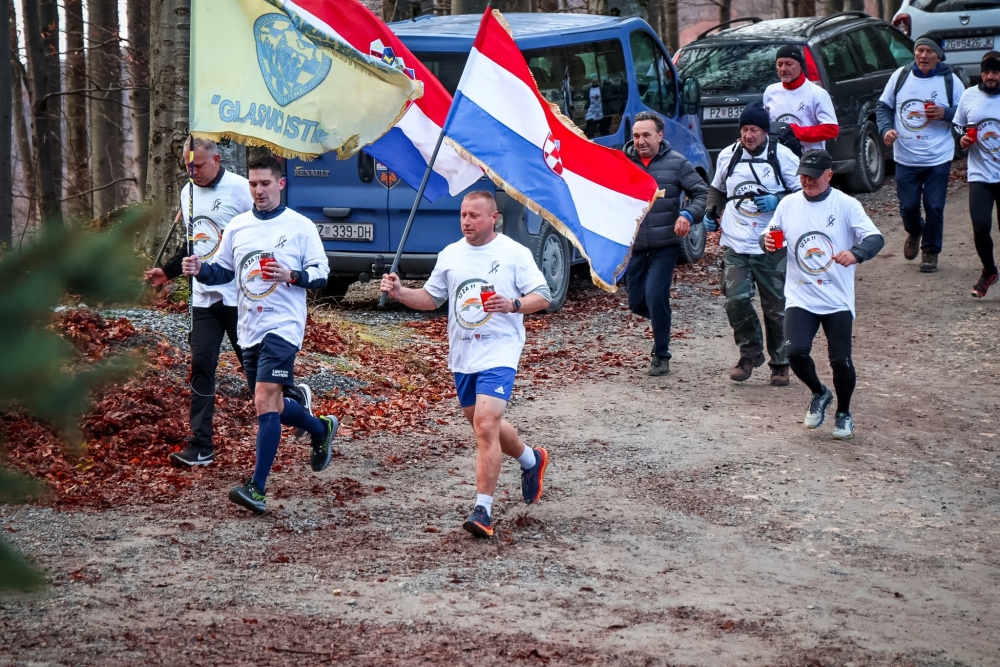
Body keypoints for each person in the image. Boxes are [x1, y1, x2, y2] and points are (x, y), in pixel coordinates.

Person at [379, 191, 551, 538]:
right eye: (462, 215)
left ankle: (483, 511)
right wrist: (400, 292)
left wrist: (513, 304)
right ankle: (531, 459)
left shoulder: (514, 253)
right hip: (463, 355)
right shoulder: (451, 254)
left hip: (500, 351)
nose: (466, 222)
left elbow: (543, 295)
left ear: (494, 218)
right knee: (484, 425)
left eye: (474, 215)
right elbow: (430, 299)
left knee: (486, 425)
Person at [182, 156, 338, 514]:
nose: (258, 190)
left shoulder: (299, 226)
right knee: (276, 407)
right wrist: (199, 269)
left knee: (265, 399)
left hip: (283, 326)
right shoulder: (238, 226)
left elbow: (321, 274)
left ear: (280, 184)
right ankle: (319, 429)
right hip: (248, 326)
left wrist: (291, 276)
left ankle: (257, 487)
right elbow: (222, 271)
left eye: (265, 184)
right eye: (253, 184)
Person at [144, 138, 258, 468]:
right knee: (201, 366)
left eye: (198, 165)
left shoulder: (241, 189)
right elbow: (193, 244)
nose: (192, 172)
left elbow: (259, 238)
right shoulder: (187, 191)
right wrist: (167, 272)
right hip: (203, 298)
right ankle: (201, 445)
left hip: (240, 297)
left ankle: (294, 408)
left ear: (218, 159)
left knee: (253, 370)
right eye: (187, 166)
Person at [763, 150, 884, 440]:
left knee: (840, 360)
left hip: (836, 298)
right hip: (800, 295)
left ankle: (844, 413)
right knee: (794, 351)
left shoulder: (846, 204)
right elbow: (772, 234)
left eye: (814, 176)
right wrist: (766, 240)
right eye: (803, 175)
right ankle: (819, 393)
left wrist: (856, 254)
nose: (808, 181)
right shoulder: (788, 204)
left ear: (829, 175)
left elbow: (875, 237)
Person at [704, 102, 801, 385]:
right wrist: (712, 212)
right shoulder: (728, 156)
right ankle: (749, 354)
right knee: (736, 299)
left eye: (754, 130)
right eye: (745, 129)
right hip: (735, 241)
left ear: (765, 131)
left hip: (772, 240)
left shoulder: (783, 158)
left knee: (776, 305)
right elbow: (717, 189)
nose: (748, 135)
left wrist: (777, 200)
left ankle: (781, 362)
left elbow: (803, 195)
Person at [623, 110, 708, 376]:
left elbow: (702, 194)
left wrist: (687, 214)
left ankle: (661, 354)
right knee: (636, 302)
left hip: (665, 244)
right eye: (636, 136)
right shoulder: (623, 163)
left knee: (656, 296)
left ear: (660, 135)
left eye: (646, 135)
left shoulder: (678, 163)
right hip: (634, 246)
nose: (640, 141)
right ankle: (663, 320)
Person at [876, 37, 965, 273]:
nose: (923, 55)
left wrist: (946, 113)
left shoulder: (950, 80)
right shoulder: (900, 76)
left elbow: (966, 112)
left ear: (938, 56)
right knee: (908, 207)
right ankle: (915, 231)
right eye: (919, 50)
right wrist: (886, 129)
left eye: (929, 51)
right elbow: (883, 106)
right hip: (906, 156)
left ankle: (930, 252)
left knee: (935, 206)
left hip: (938, 156)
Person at [955, 51, 1000, 297]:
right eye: (986, 72)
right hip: (980, 173)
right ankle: (989, 271)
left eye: (995, 72)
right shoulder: (969, 95)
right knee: (981, 226)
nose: (990, 77)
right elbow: (958, 125)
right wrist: (960, 140)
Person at [762, 46, 839, 154]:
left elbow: (832, 129)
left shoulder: (817, 93)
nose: (783, 69)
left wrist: (793, 131)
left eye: (789, 64)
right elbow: (764, 125)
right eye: (779, 64)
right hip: (779, 159)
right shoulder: (770, 91)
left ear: (800, 66)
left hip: (810, 160)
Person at [584, 74, 604, 138]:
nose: (594, 81)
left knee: (604, 132)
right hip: (591, 114)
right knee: (590, 133)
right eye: (593, 80)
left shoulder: (602, 88)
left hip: (603, 114)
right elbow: (586, 102)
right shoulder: (588, 90)